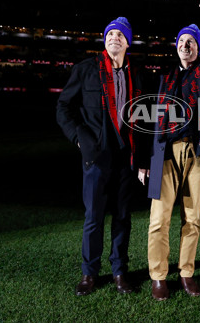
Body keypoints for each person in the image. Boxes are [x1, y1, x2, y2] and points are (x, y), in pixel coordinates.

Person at [140, 0, 200, 301]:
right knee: (159, 219)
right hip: (164, 154)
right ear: (176, 47)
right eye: (182, 41)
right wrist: (145, 162)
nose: (186, 45)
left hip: (198, 153)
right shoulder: (165, 77)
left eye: (192, 42)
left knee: (192, 219)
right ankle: (158, 277)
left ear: (199, 47)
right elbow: (152, 122)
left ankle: (186, 273)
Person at [56, 17, 143, 296]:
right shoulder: (86, 69)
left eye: (120, 34)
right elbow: (63, 107)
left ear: (128, 42)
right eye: (110, 34)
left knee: (122, 217)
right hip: (96, 157)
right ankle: (89, 274)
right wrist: (79, 138)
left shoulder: (137, 73)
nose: (114, 37)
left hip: (126, 157)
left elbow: (144, 119)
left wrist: (142, 158)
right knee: (93, 217)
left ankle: (119, 272)